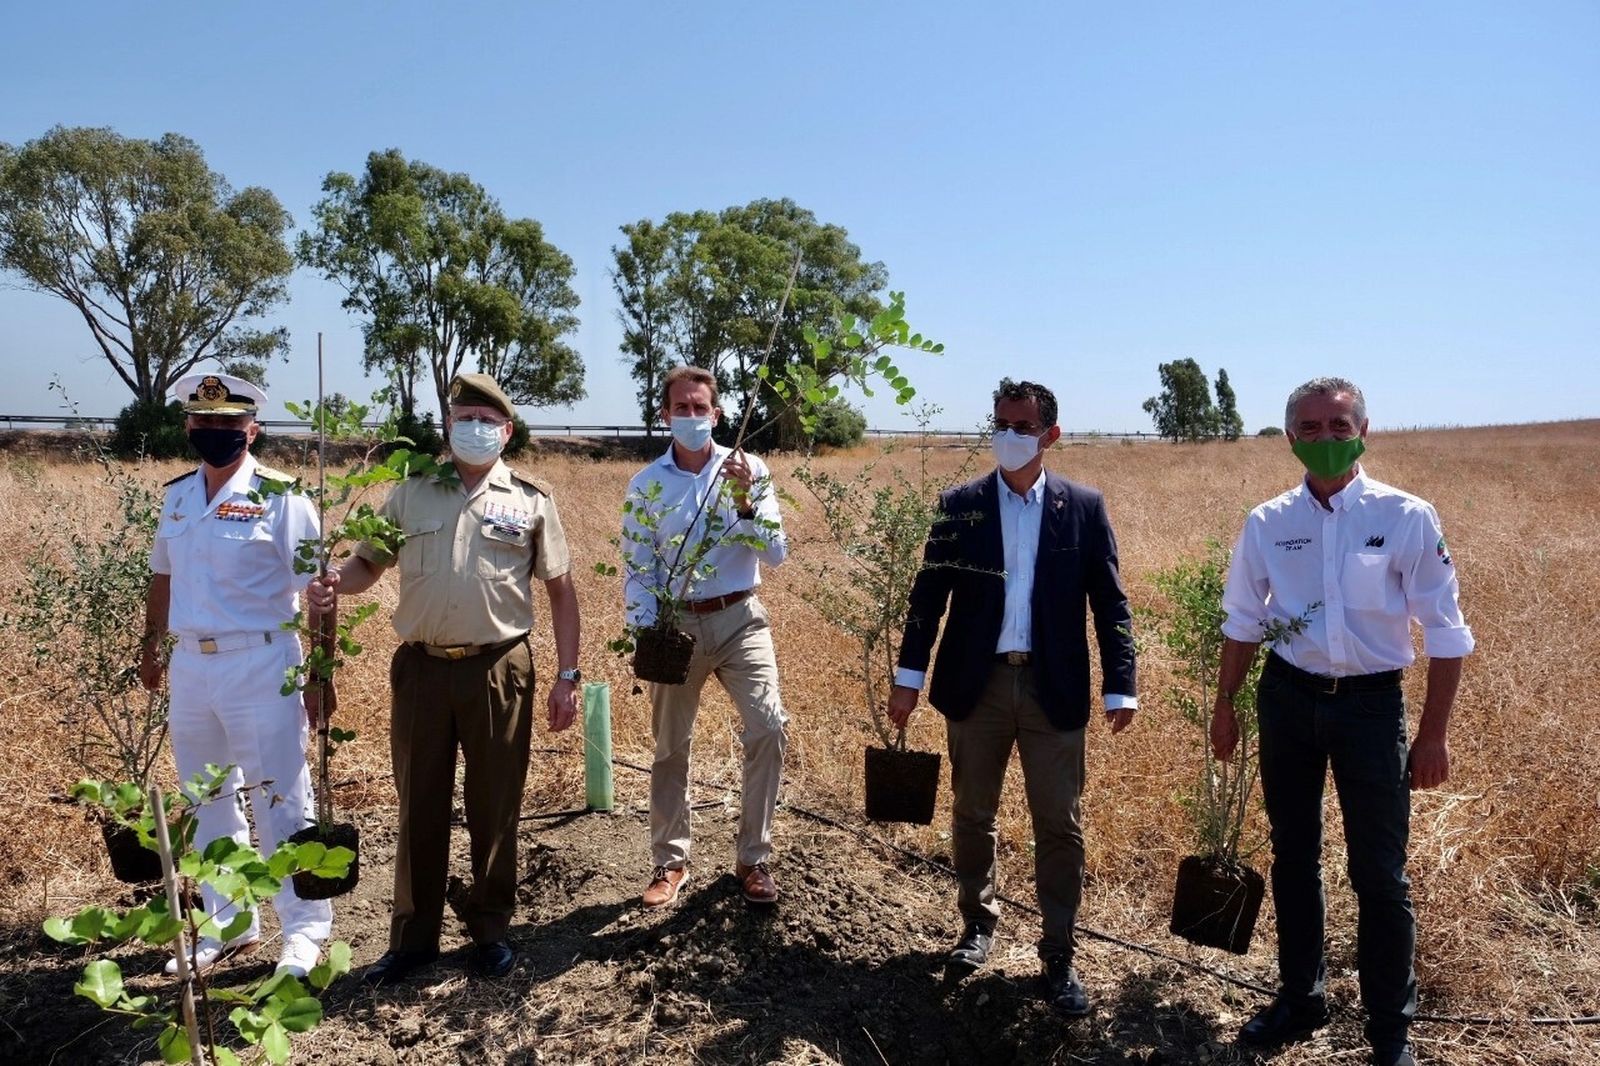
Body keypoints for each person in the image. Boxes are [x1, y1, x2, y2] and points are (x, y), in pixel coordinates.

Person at [1212, 377, 1472, 1066]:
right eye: (1311, 428)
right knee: (1294, 856)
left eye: (1339, 426)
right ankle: (1302, 999)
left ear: (1363, 431)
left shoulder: (1407, 516)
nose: (1325, 438)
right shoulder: (1268, 523)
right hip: (1288, 699)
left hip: (1370, 707)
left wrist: (1433, 735)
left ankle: (1390, 1031)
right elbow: (1243, 619)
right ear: (1290, 437)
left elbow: (1446, 632)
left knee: (1380, 873)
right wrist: (1225, 704)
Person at [305, 372, 581, 984]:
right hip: (422, 670)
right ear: (448, 425)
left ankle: (490, 932)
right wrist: (334, 582)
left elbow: (561, 591)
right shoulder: (410, 493)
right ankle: (413, 940)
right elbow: (367, 566)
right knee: (419, 804)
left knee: (496, 805)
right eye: (464, 418)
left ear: (506, 432)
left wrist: (568, 675)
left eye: (487, 421)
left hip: (499, 669)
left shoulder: (532, 500)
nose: (474, 428)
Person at [887, 377, 1138, 1016]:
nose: (1008, 436)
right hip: (979, 686)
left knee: (1060, 823)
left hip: (1054, 688)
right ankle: (977, 924)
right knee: (973, 814)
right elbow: (928, 597)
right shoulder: (961, 505)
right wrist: (908, 679)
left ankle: (1058, 951)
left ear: (1050, 435)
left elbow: (1110, 603)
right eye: (1000, 424)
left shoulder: (1084, 507)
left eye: (1022, 427)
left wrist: (1121, 684)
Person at [139, 372, 332, 978]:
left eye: (228, 422)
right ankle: (228, 923)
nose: (214, 431)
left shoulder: (282, 497)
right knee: (207, 799)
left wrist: (321, 674)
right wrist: (151, 646)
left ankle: (304, 931)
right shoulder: (177, 496)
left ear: (252, 430)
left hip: (263, 660)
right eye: (204, 421)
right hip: (192, 664)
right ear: (189, 425)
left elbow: (319, 590)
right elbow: (163, 576)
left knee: (282, 797)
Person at [621, 365, 790, 909]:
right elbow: (638, 569)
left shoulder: (748, 470)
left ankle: (753, 859)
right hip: (675, 625)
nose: (691, 416)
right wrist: (646, 632)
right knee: (671, 745)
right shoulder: (646, 484)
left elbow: (776, 553)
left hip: (740, 617)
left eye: (700, 408)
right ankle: (671, 862)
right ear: (664, 414)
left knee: (768, 727)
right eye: (681, 408)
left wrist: (744, 500)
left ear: (717, 415)